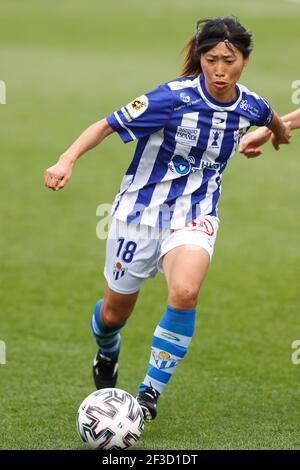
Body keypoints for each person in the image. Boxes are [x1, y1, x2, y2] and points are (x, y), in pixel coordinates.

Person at [44, 16, 291, 422]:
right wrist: (65, 160)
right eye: (210, 59)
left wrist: (276, 134)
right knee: (113, 314)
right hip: (137, 217)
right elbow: (106, 125)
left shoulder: (249, 103)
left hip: (196, 215)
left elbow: (271, 117)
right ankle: (107, 350)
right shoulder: (170, 98)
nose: (220, 70)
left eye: (229, 60)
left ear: (245, 59)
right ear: (200, 57)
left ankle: (147, 395)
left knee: (185, 292)